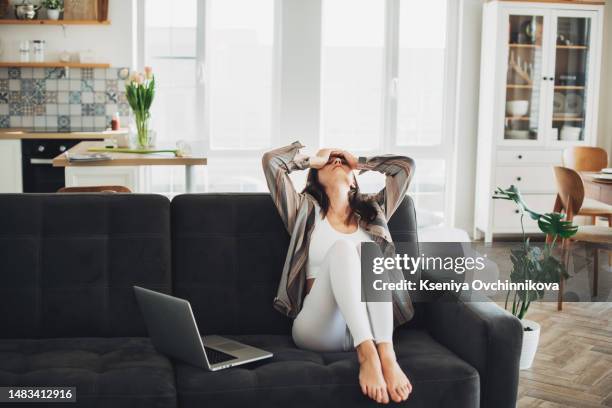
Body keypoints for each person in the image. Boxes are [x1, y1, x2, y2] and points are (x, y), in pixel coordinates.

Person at [262, 142, 416, 404]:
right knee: (343, 249)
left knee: (370, 251)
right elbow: (271, 162)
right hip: (319, 326)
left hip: (372, 322)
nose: (336, 161)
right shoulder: (304, 212)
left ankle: (386, 353)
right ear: (315, 178)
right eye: (329, 161)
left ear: (355, 181)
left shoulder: (374, 212)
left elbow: (405, 168)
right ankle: (368, 354)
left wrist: (359, 161)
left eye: (342, 161)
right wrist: (312, 160)